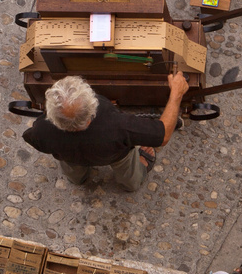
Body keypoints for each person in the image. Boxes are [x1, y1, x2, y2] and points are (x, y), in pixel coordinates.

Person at [21, 73, 187, 191]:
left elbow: (32, 137)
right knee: (130, 176)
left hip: (70, 155)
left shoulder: (41, 131)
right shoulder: (118, 127)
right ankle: (135, 175)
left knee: (73, 168)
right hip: (115, 155)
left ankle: (78, 178)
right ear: (89, 116)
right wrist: (176, 94)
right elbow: (163, 134)